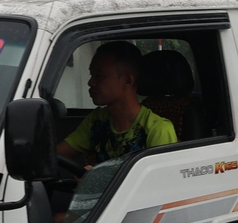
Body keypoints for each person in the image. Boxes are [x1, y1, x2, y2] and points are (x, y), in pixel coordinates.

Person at [56, 40, 177, 168]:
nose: (91, 82)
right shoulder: (97, 120)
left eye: (99, 75)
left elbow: (159, 184)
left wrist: (96, 178)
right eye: (91, 74)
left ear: (127, 81)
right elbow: (58, 155)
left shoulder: (158, 130)